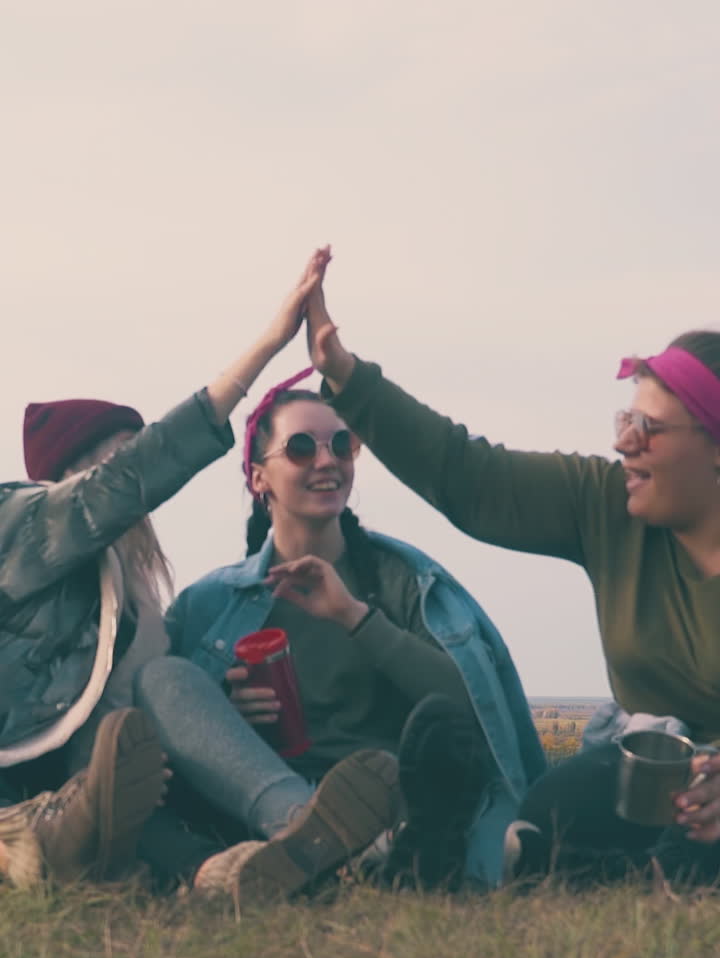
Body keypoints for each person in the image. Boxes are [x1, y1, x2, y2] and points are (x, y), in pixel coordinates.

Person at [302, 264, 720, 885]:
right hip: (654, 769)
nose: (624, 444)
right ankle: (448, 855)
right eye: (624, 422)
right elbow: (471, 476)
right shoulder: (608, 505)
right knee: (549, 823)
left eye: (649, 429)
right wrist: (346, 375)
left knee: (678, 860)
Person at [135, 348, 544, 899]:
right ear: (260, 479)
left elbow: (468, 708)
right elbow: (170, 723)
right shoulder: (213, 600)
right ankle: (315, 836)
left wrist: (355, 617)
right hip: (265, 805)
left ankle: (355, 855)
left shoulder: (404, 578)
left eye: (342, 445)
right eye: (301, 448)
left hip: (395, 801)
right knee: (164, 679)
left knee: (444, 729)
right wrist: (224, 708)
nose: (327, 461)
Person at [0, 250, 330, 889]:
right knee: (114, 762)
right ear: (66, 480)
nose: (131, 486)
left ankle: (299, 828)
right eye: (114, 464)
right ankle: (208, 867)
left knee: (171, 679)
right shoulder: (26, 523)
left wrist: (223, 708)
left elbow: (155, 699)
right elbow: (140, 474)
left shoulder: (142, 589)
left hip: (129, 777)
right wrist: (267, 345)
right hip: (31, 773)